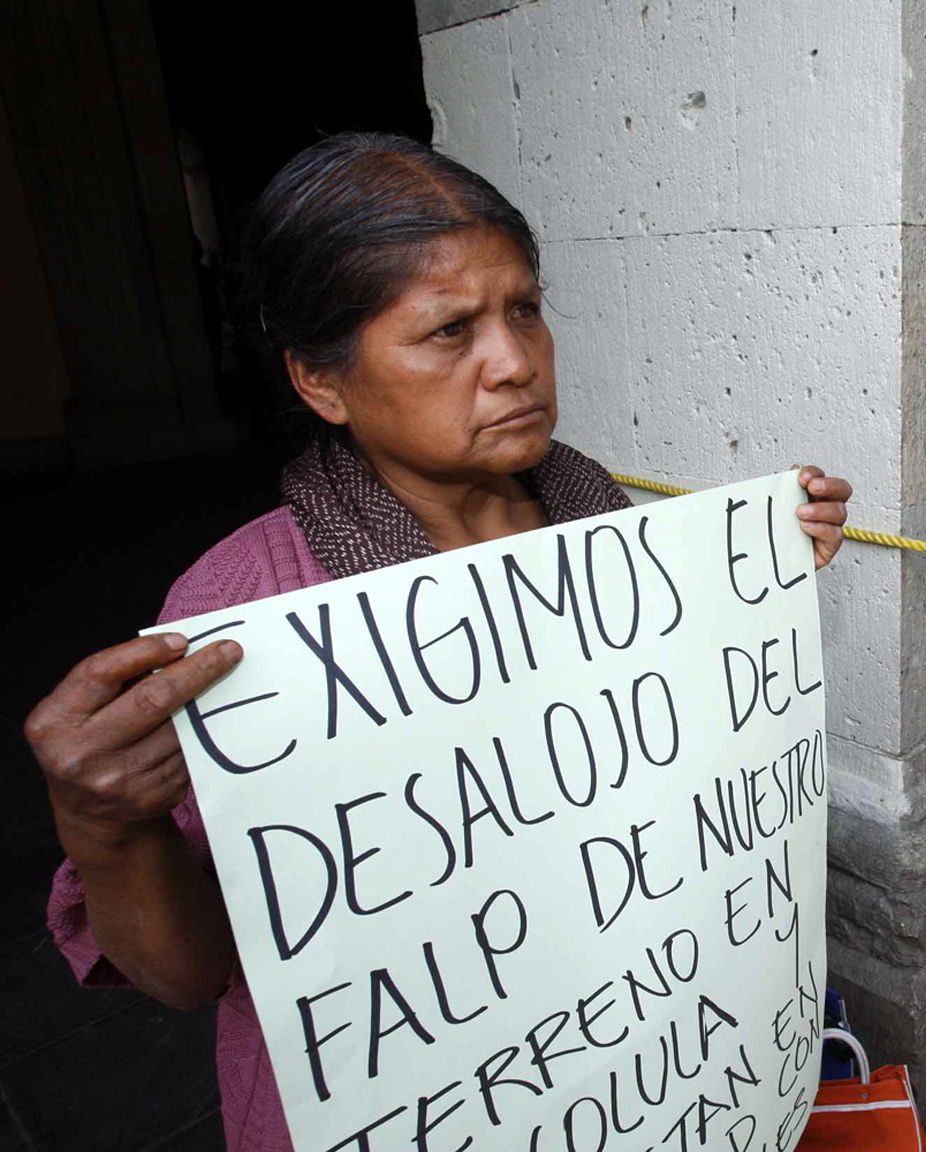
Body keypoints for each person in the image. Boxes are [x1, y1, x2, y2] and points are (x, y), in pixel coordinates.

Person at [22, 134, 854, 1152]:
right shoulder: (247, 615)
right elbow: (186, 974)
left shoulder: (611, 528)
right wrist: (110, 834)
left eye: (525, 310)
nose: (514, 363)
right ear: (321, 383)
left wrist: (747, 586)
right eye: (448, 330)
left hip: (628, 1066)